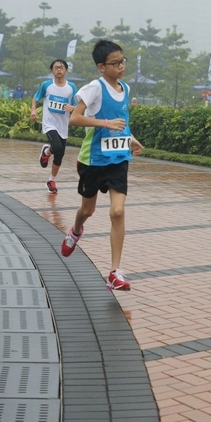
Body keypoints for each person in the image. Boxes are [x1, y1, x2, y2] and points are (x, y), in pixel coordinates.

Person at [60, 39, 143, 291]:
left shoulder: (125, 88)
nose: (121, 66)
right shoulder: (94, 88)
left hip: (118, 159)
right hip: (93, 160)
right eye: (115, 63)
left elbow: (122, 121)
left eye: (122, 61)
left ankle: (115, 273)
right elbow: (75, 118)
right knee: (87, 210)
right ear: (101, 66)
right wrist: (105, 124)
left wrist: (130, 138)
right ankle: (75, 231)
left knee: (117, 212)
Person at [30, 60, 77, 193]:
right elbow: (35, 98)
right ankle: (47, 152)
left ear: (66, 70)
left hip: (63, 125)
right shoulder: (47, 85)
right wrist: (33, 110)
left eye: (61, 68)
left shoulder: (71, 87)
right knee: (56, 147)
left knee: (59, 155)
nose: (58, 70)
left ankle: (51, 180)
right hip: (49, 123)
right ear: (52, 71)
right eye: (56, 68)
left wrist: (73, 107)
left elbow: (77, 104)